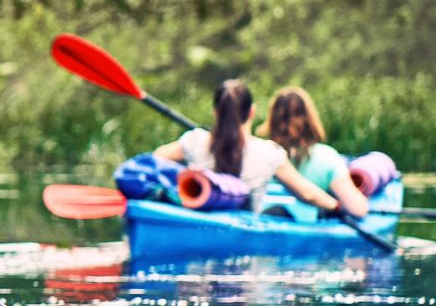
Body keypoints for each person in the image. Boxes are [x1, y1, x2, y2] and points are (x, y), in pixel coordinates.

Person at [151, 78, 352, 215]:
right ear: (252, 112)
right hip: (244, 235)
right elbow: (307, 194)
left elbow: (157, 158)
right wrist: (336, 207)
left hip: (196, 218)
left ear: (215, 112)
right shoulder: (269, 153)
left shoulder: (194, 141)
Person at [265, 85, 371, 217]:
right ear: (310, 118)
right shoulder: (327, 157)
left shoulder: (263, 153)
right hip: (309, 227)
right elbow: (358, 209)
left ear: (272, 120)